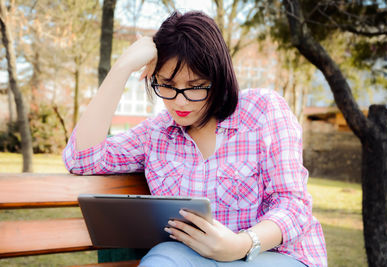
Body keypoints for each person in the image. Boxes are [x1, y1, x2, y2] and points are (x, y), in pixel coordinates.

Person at [63, 11, 327, 267]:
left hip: (273, 255)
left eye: (195, 86)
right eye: (167, 84)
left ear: (219, 77)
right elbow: (81, 159)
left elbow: (293, 205)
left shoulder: (263, 110)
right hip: (190, 257)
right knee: (164, 257)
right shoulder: (156, 133)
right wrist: (122, 68)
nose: (179, 101)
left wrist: (241, 244)